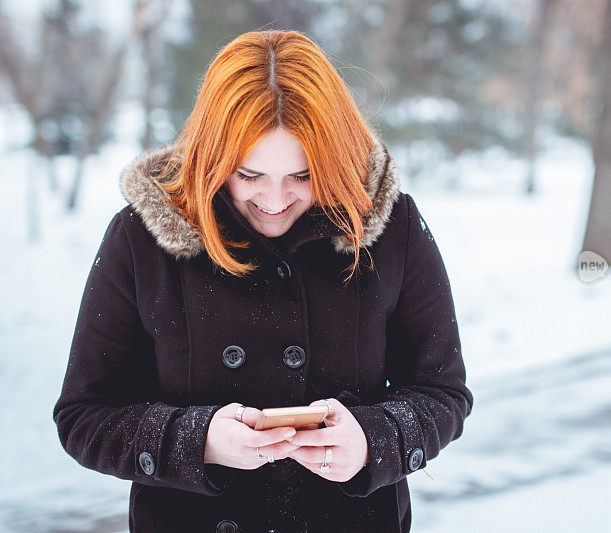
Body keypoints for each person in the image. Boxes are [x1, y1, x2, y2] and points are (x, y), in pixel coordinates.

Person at [52, 29, 473, 533]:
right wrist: (198, 440)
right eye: (249, 175)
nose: (275, 201)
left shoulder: (389, 226)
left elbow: (441, 391)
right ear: (214, 158)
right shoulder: (143, 239)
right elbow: (84, 415)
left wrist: (372, 441)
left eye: (302, 176)